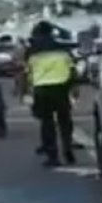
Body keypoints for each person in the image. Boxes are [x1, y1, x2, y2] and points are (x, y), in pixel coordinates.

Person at [24, 21, 76, 167]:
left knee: (47, 123)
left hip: (42, 88)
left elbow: (27, 72)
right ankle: (67, 147)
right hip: (61, 86)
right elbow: (72, 70)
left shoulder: (32, 51)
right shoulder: (63, 48)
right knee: (65, 120)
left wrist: (26, 90)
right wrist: (73, 87)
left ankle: (53, 155)